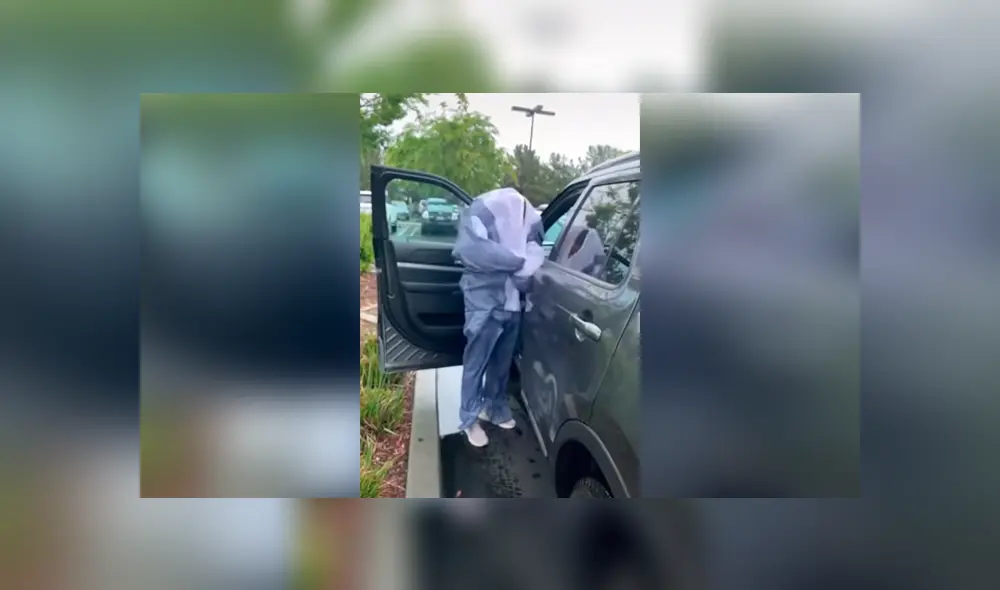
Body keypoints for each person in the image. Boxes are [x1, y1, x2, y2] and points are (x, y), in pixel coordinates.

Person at [451, 187, 545, 447]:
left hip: (512, 304)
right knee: (476, 363)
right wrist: (517, 262)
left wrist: (522, 264)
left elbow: (536, 249)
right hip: (485, 302)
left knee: (501, 363)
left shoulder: (530, 216)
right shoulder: (483, 209)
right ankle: (469, 418)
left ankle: (495, 408)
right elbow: (472, 250)